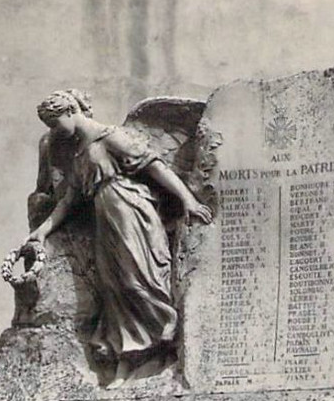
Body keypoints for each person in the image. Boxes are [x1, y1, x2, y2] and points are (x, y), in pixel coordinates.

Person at [25, 90, 213, 382]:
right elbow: (69, 200)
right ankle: (127, 359)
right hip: (105, 220)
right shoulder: (76, 152)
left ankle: (162, 344)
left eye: (55, 122)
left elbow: (155, 166)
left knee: (137, 282)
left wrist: (188, 200)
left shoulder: (111, 137)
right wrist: (42, 230)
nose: (54, 131)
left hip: (131, 213)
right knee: (113, 290)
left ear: (70, 112)